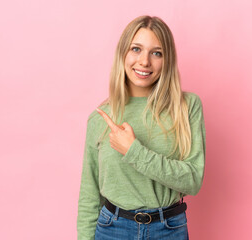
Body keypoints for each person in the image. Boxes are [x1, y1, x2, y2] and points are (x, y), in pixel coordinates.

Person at [77, 15, 206, 240]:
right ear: (123, 53)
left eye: (156, 53)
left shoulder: (187, 107)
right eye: (136, 49)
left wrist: (133, 151)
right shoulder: (101, 118)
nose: (144, 61)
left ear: (167, 60)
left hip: (169, 230)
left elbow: (192, 181)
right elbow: (89, 198)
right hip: (112, 229)